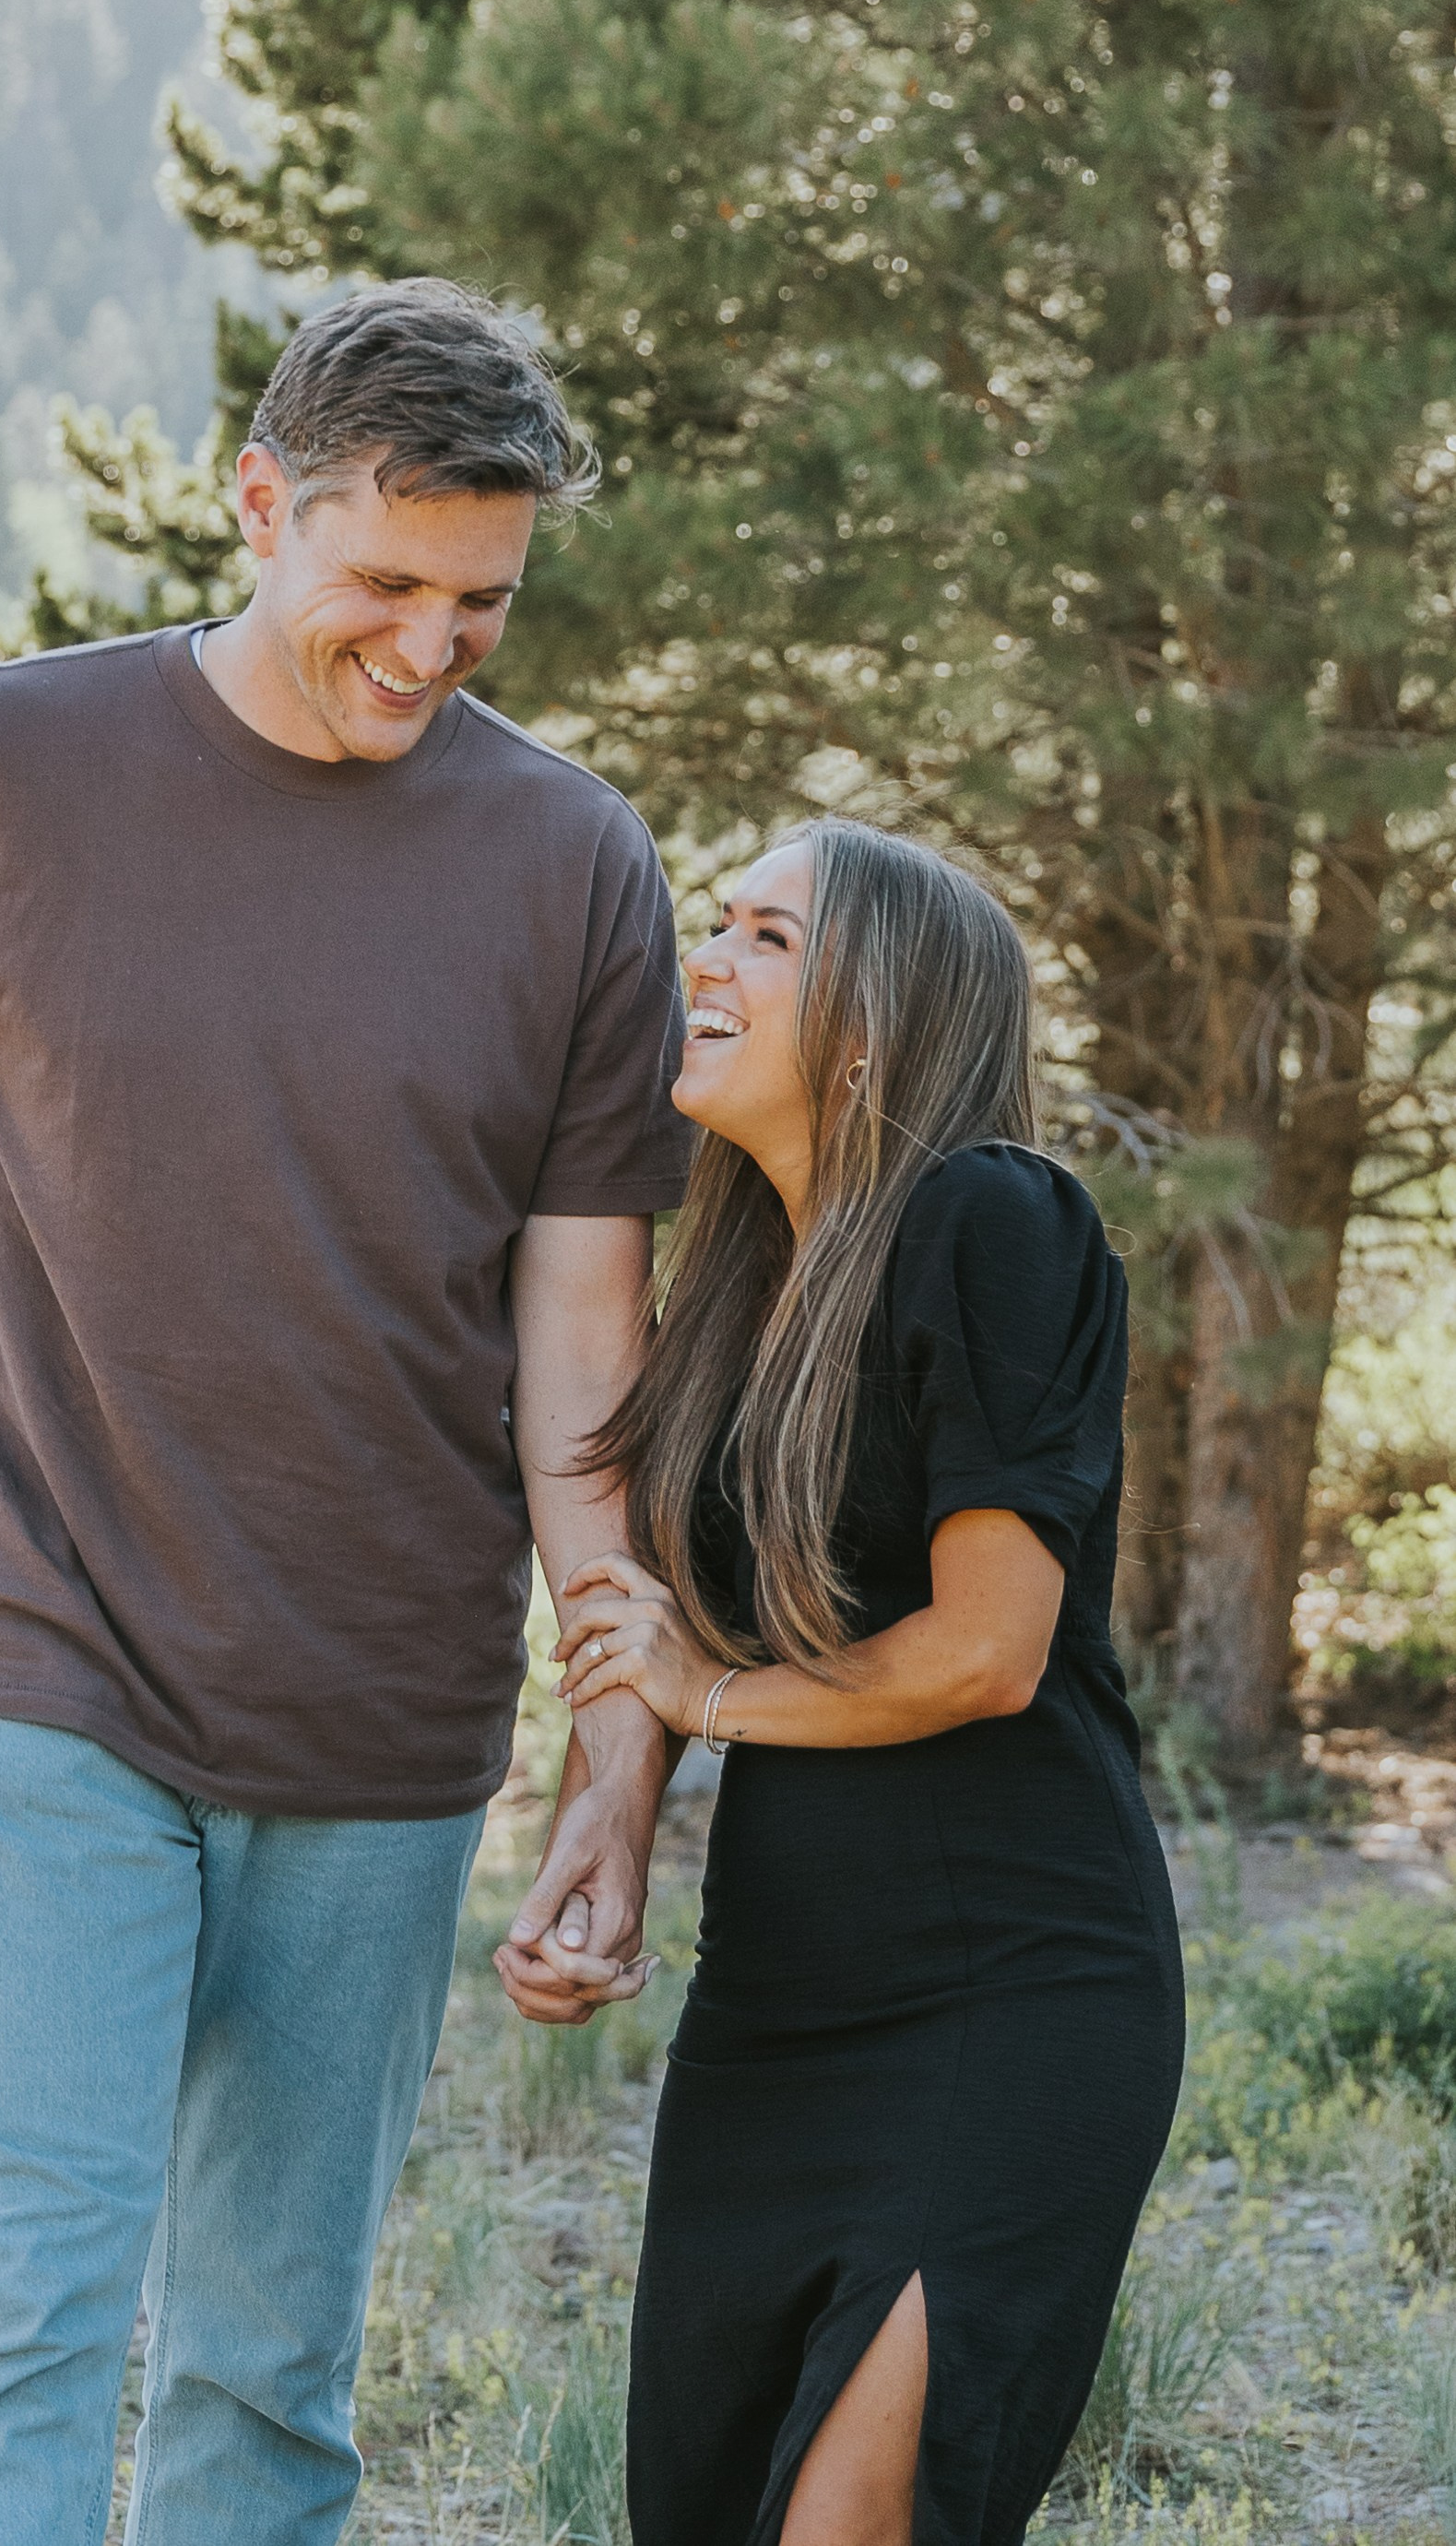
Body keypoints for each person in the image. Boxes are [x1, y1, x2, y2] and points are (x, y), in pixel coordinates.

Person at [0, 278, 692, 2545]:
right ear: (260, 503)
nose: (428, 645)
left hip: (382, 1709)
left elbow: (585, 1352)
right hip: (36, 1661)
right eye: (383, 581)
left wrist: (621, 1747)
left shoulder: (576, 865)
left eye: (483, 601)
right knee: (23, 2304)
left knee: (267, 2375)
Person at [536, 818, 1186, 2546]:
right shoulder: (745, 1290)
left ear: (876, 1022)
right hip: (774, 2006)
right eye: (717, 924)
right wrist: (604, 1839)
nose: (706, 960)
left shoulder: (995, 1217)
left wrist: (709, 1702)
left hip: (1011, 1990)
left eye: (768, 936)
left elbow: (985, 1651)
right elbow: (663, 1632)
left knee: (857, 2516)